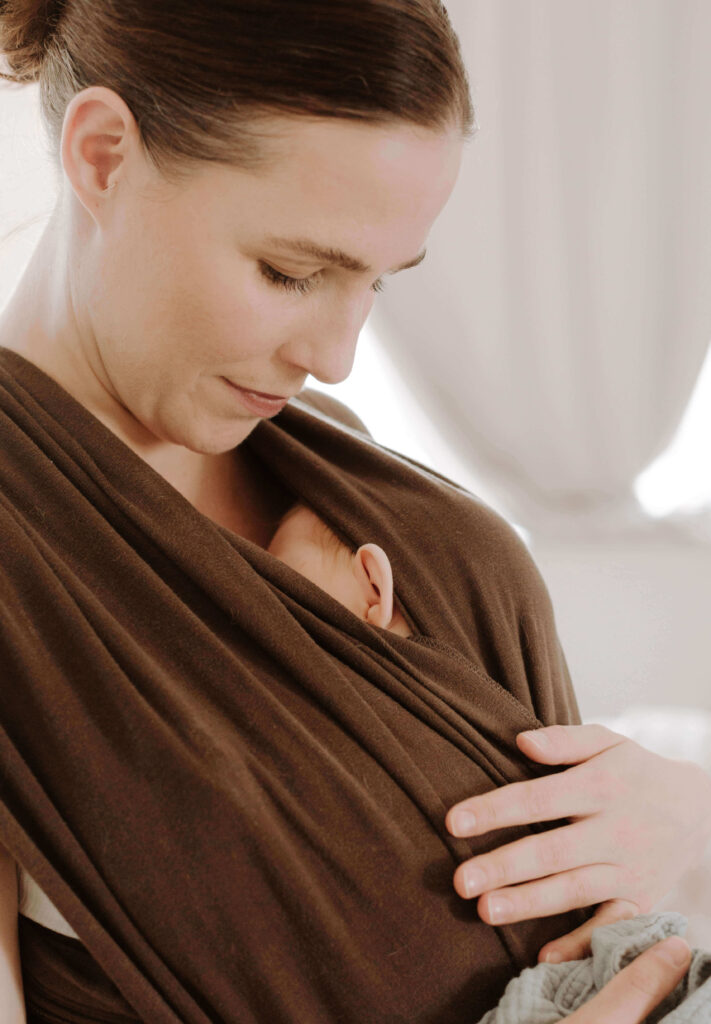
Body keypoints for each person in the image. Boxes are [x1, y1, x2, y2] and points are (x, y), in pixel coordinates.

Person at [0, 1, 708, 1021]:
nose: (333, 355)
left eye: (376, 282)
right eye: (291, 272)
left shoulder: (326, 451)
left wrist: (684, 813)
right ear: (104, 153)